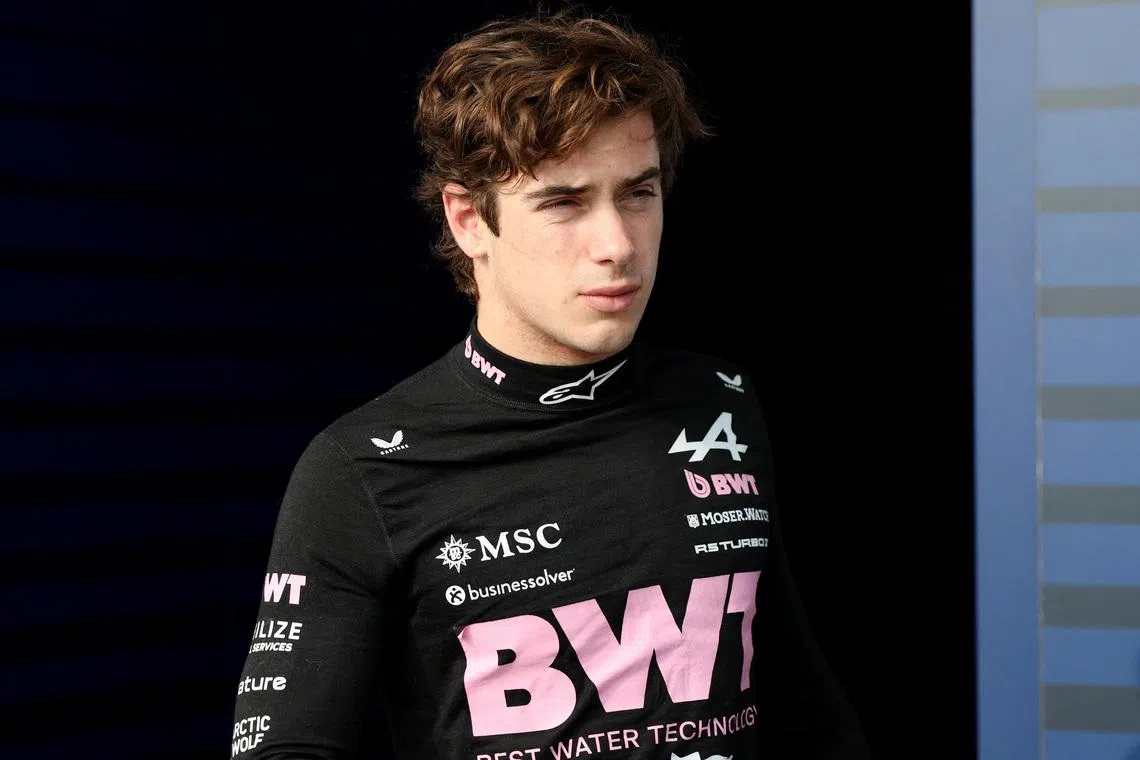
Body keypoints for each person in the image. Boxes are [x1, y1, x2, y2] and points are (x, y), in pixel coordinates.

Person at [230, 8, 870, 759]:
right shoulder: (362, 467)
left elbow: (799, 706)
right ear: (470, 220)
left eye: (639, 192)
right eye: (564, 202)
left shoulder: (719, 400)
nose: (618, 245)